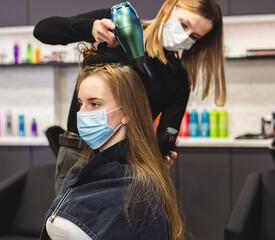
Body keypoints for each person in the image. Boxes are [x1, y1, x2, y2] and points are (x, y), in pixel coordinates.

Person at [33, 0, 227, 194]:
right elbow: (43, 30)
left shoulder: (177, 79)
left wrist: (162, 154)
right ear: (169, 8)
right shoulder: (119, 25)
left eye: (194, 36)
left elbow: (167, 134)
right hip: (77, 153)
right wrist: (91, 28)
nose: (184, 36)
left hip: (125, 165)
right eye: (184, 24)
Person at [40, 50, 184, 240]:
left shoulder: (140, 189)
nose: (82, 113)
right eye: (81, 103)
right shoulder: (78, 173)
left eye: (95, 104)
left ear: (127, 112)